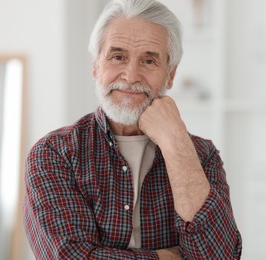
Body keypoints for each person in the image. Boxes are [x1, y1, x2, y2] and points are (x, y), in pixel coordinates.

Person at [23, 0, 242, 259]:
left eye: (149, 61)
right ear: (95, 66)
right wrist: (168, 257)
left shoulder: (202, 155)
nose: (131, 75)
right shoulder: (55, 153)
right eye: (118, 57)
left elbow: (222, 256)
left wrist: (175, 142)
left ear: (170, 75)